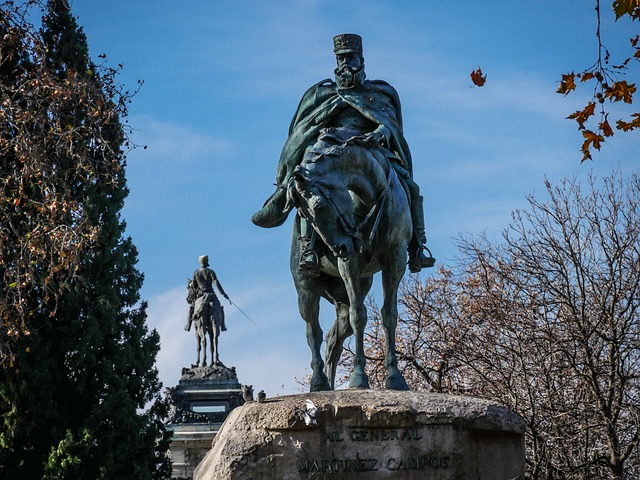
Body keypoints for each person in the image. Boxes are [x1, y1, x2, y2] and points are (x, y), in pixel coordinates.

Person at [252, 34, 433, 273]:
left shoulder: (379, 93)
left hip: (371, 152)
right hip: (330, 154)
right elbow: (302, 131)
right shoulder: (320, 95)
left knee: (410, 186)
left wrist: (381, 131)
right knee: (309, 186)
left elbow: (391, 125)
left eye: (350, 57)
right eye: (340, 59)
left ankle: (417, 247)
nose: (345, 63)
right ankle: (309, 247)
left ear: (361, 59)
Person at [186, 255, 230, 332]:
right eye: (207, 261)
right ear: (205, 262)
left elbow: (195, 286)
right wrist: (223, 294)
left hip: (201, 295)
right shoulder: (211, 272)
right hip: (211, 295)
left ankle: (188, 325)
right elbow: (216, 283)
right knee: (219, 308)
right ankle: (223, 325)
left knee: (192, 308)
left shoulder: (196, 272)